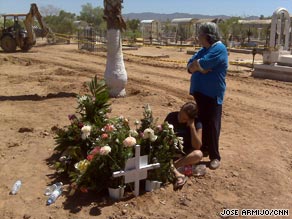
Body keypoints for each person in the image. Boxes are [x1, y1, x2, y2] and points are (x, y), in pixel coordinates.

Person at [187, 22, 228, 170]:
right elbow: (189, 66)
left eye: (200, 34)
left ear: (207, 36)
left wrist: (198, 66)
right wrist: (197, 66)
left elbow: (203, 63)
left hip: (212, 94)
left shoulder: (219, 48)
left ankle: (214, 156)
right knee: (202, 123)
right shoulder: (203, 49)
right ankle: (203, 149)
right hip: (200, 93)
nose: (198, 37)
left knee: (212, 125)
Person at [165, 102, 203, 189]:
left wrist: (192, 128)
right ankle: (176, 172)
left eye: (184, 119)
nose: (181, 120)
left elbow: (197, 146)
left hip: (185, 155)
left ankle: (172, 167)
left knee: (198, 154)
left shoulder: (197, 123)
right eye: (181, 116)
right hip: (171, 151)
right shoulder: (171, 116)